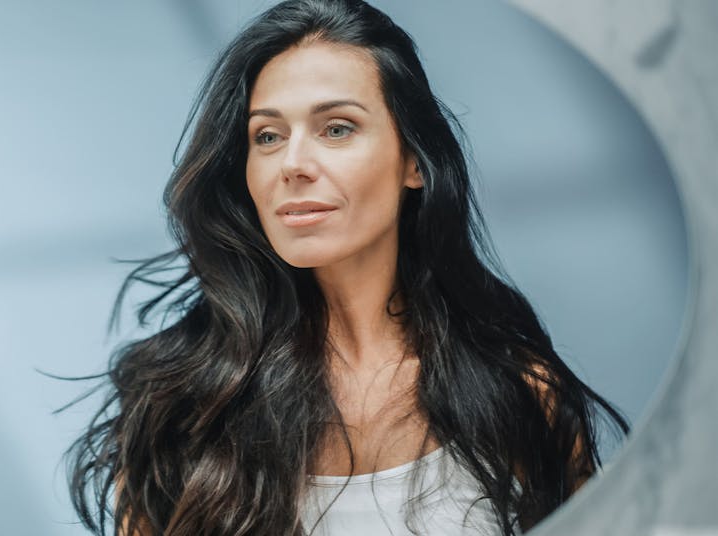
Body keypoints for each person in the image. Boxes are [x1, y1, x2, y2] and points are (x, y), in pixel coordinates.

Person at [67, 1, 629, 535]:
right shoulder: (179, 402)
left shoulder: (520, 391)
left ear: (414, 161)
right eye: (267, 136)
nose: (292, 164)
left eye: (336, 128)